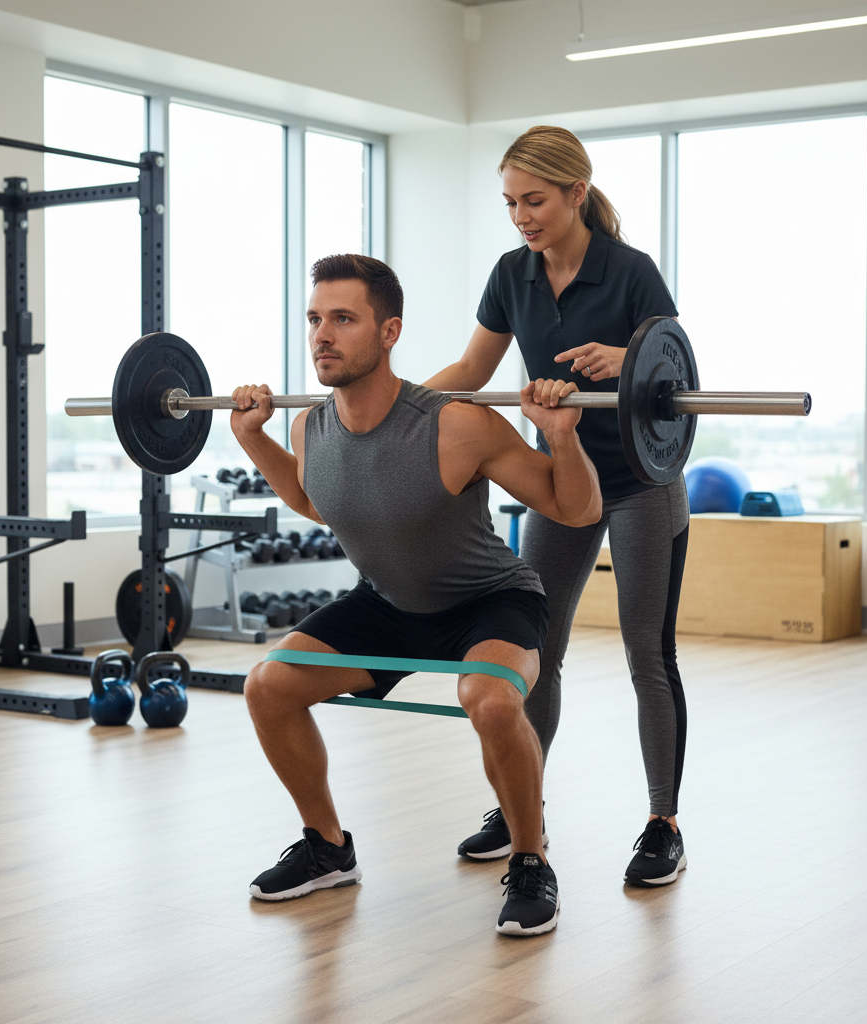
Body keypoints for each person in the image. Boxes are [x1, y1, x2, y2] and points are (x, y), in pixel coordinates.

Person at [231, 253, 601, 937]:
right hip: (390, 605)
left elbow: (573, 509)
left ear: (389, 331)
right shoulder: (310, 427)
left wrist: (561, 440)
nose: (322, 335)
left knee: (489, 700)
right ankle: (327, 848)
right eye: (315, 318)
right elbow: (318, 501)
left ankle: (528, 858)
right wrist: (254, 440)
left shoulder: (455, 424)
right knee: (268, 686)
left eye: (343, 319)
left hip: (489, 601)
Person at [425, 125, 689, 888]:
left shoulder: (630, 271)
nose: (521, 217)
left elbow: (672, 368)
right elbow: (475, 368)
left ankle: (661, 823)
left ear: (577, 192)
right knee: (536, 653)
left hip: (642, 481)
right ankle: (520, 811)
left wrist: (629, 360)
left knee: (648, 653)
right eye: (510, 203)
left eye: (534, 200)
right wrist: (398, 400)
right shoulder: (513, 275)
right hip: (562, 482)